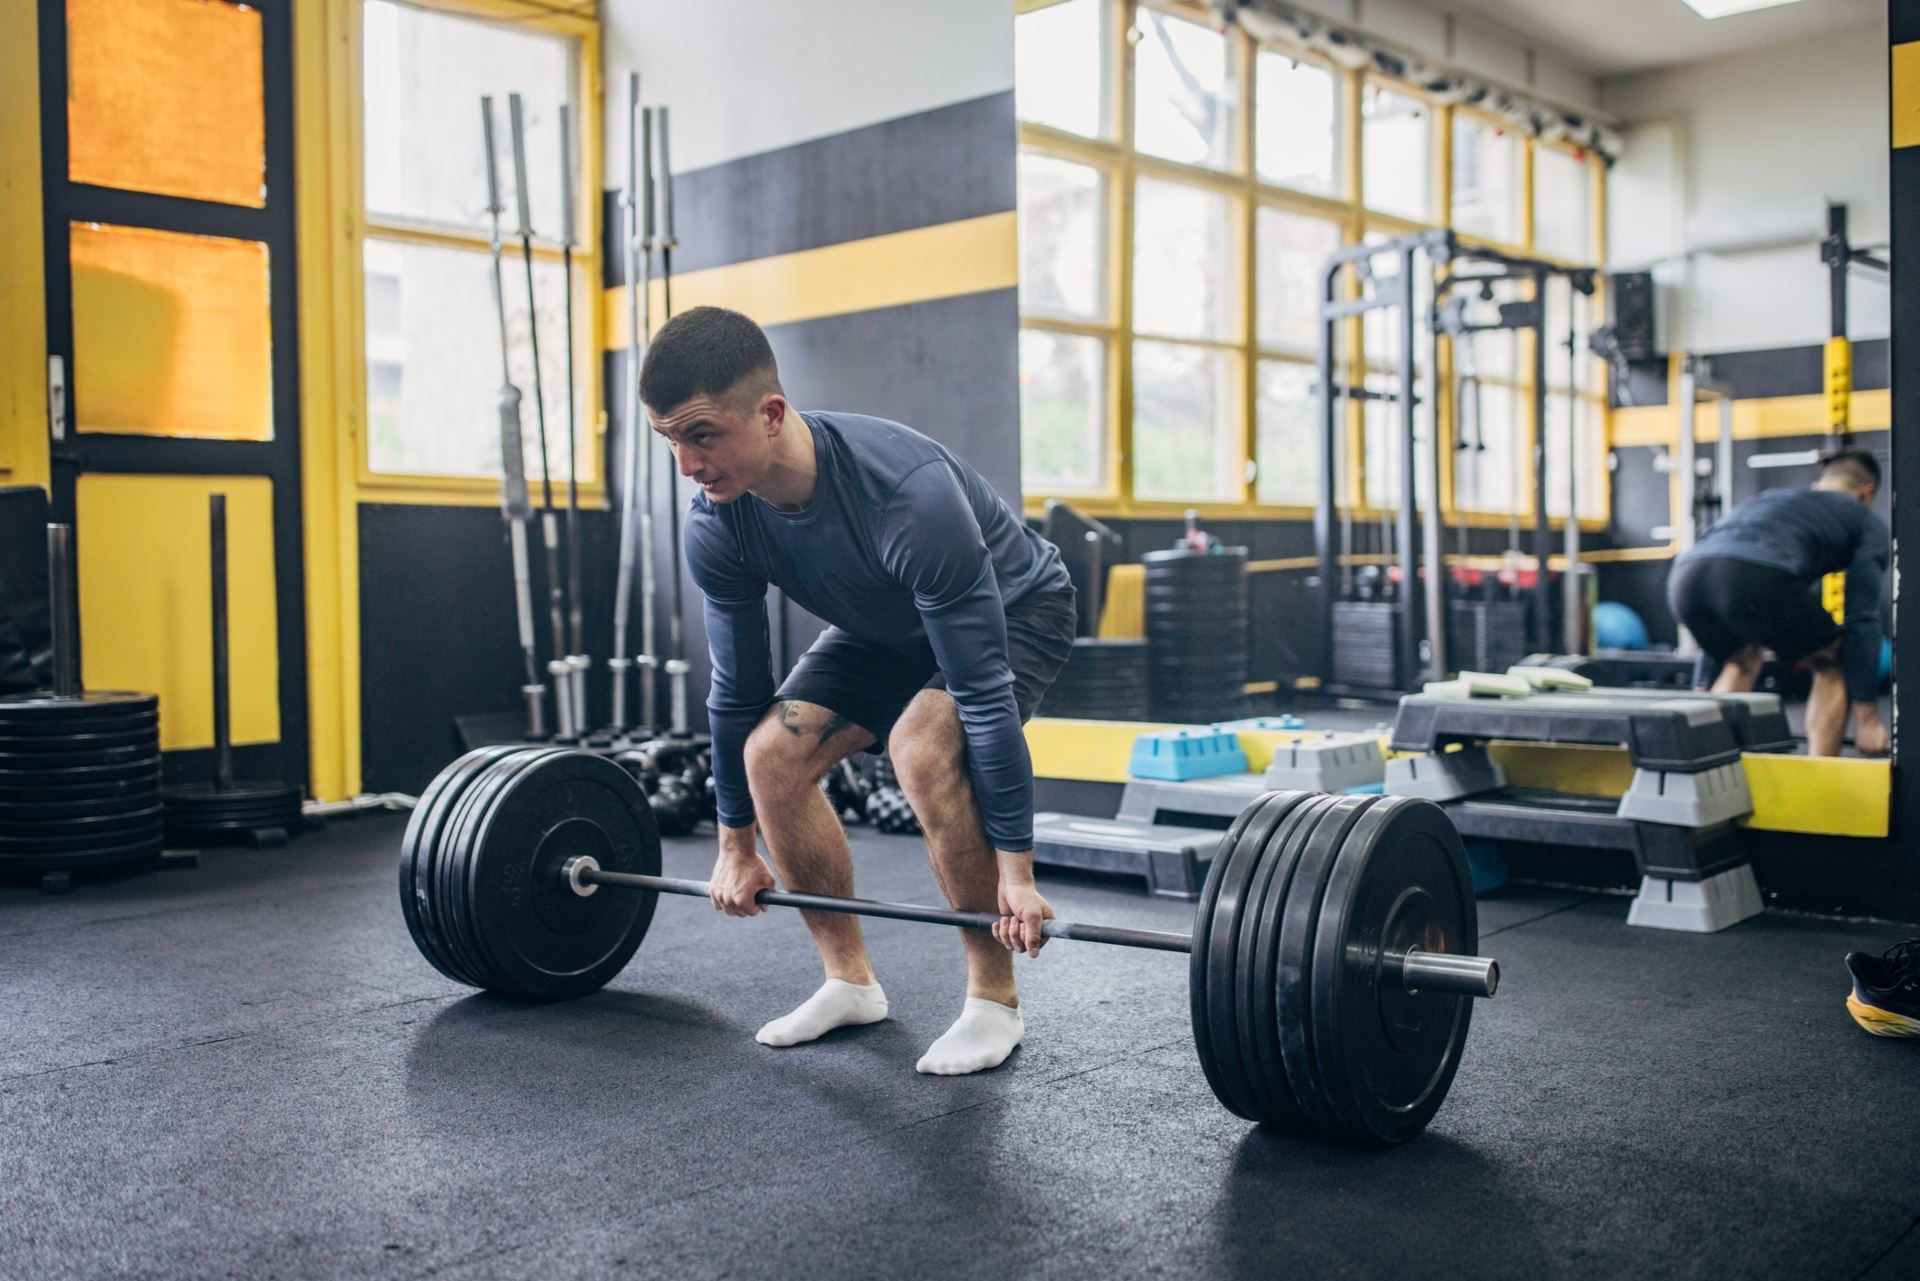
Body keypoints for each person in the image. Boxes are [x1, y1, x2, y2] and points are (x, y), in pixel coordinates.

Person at [637, 306, 1077, 1076]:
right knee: (769, 754)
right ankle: (848, 982)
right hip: (886, 624)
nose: (686, 464)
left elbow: (979, 692)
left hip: (1016, 608)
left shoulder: (907, 495)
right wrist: (735, 846)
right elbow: (736, 691)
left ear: (771, 414)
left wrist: (1018, 874)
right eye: (668, 438)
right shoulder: (718, 520)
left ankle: (992, 1001)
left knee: (922, 745)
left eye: (701, 434)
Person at [1667, 448, 1889, 757]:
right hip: (1756, 574)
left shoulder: (1770, 499)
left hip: (1684, 575)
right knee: (1831, 661)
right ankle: (1821, 781)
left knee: (1740, 659)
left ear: (1818, 485)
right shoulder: (1865, 518)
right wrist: (1867, 719)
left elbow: (1722, 570)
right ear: (1868, 492)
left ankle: (1697, 760)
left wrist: (1701, 686)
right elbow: (1861, 615)